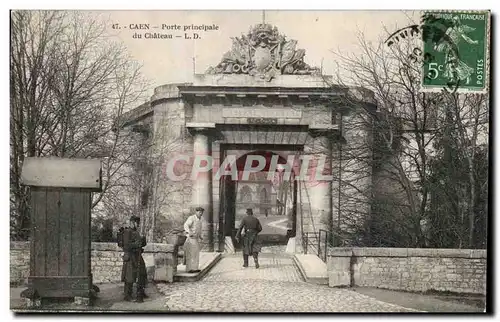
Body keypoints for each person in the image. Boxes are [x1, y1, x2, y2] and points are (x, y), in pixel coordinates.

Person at [120, 215, 147, 302]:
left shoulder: (136, 232)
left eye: (138, 223)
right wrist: (137, 243)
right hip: (130, 256)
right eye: (137, 223)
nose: (138, 225)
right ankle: (127, 295)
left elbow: (142, 244)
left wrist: (143, 239)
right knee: (129, 276)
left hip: (137, 255)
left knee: (142, 273)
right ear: (132, 222)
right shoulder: (127, 232)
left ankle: (141, 292)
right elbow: (126, 246)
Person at [183, 207, 204, 273]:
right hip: (190, 239)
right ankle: (189, 269)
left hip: (196, 239)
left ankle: (195, 268)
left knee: (196, 253)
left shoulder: (200, 220)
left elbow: (199, 230)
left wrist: (201, 236)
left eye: (201, 212)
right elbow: (186, 225)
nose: (200, 213)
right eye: (199, 212)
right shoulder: (191, 218)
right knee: (191, 254)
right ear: (196, 212)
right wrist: (189, 232)